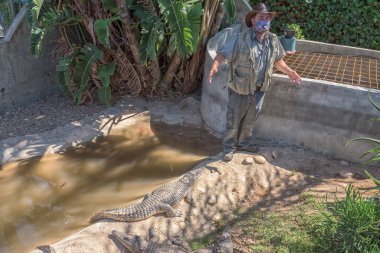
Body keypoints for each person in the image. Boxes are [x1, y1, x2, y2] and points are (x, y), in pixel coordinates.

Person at [208, 3, 301, 162]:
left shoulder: (272, 40)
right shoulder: (240, 39)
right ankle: (229, 148)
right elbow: (222, 54)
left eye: (267, 18)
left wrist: (289, 72)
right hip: (240, 88)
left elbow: (278, 61)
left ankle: (243, 143)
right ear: (253, 20)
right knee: (234, 120)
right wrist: (215, 66)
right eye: (261, 18)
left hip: (259, 90)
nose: (265, 21)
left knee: (250, 120)